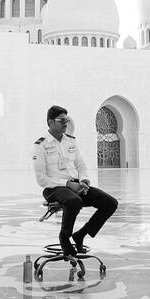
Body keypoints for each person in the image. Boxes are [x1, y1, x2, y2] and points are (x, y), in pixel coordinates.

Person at [32, 105, 118, 260]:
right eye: (61, 120)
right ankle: (64, 239)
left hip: (75, 185)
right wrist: (67, 184)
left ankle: (81, 235)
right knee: (74, 201)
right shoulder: (41, 145)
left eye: (67, 120)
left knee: (110, 203)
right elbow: (41, 179)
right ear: (50, 122)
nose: (66, 123)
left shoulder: (71, 141)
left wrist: (84, 179)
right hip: (54, 188)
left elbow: (80, 165)